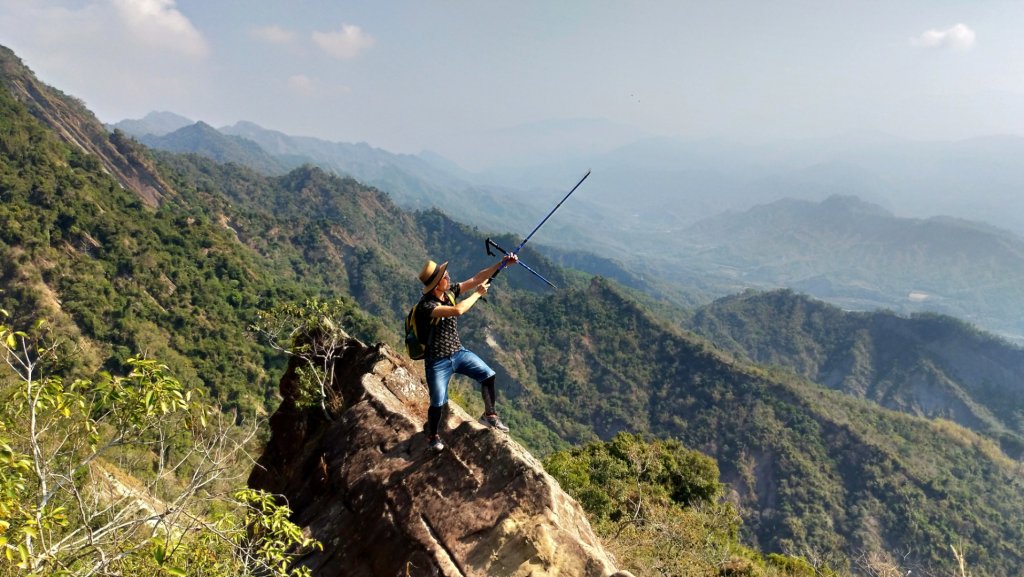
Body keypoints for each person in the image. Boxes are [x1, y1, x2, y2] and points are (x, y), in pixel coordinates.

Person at [416, 253, 518, 452]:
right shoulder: (426, 306)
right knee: (438, 401)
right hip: (437, 362)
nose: (449, 277)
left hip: (458, 353)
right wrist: (478, 294)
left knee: (488, 375)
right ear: (437, 284)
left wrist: (502, 263)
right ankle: (433, 437)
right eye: (445, 276)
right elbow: (458, 310)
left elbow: (477, 278)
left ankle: (490, 416)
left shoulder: (450, 293)